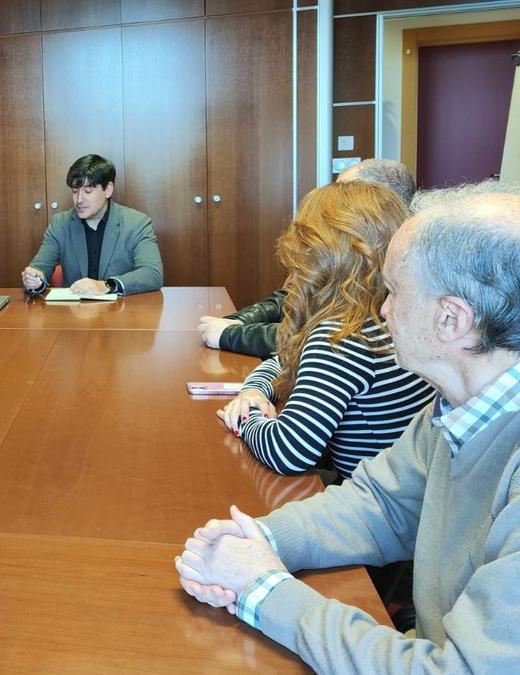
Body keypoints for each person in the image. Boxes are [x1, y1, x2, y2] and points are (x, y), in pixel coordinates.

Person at [176, 186, 520, 672]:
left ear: (451, 319)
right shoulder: (457, 407)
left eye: (394, 292)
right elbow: (380, 503)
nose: (382, 310)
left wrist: (264, 589)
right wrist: (259, 539)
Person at [217, 181, 433, 480]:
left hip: (370, 496)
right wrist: (253, 391)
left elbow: (288, 452)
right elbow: (283, 361)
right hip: (409, 488)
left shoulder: (341, 338)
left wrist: (247, 417)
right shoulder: (383, 319)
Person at [199, 158, 419, 358]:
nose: (331, 199)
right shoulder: (346, 251)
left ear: (380, 206)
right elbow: (294, 295)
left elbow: (327, 340)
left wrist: (232, 334)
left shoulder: (402, 269)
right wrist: (236, 322)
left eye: (345, 193)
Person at [20, 154, 163, 296]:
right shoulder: (61, 224)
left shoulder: (136, 223)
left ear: (108, 189)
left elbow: (152, 273)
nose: (79, 200)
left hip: (121, 308)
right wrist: (35, 279)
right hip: (74, 309)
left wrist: (107, 285)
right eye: (75, 191)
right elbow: (40, 267)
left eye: (88, 191)